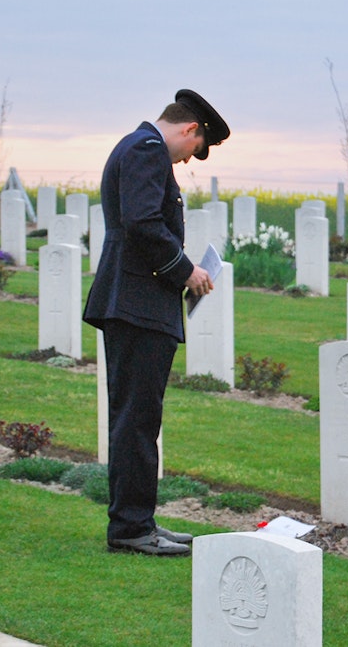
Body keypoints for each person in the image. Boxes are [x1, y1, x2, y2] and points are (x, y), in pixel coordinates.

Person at [83, 89, 230, 556]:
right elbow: (144, 223)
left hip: (135, 302)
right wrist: (187, 270)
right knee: (136, 421)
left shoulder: (136, 146)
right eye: (195, 150)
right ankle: (130, 528)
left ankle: (138, 520)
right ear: (190, 129)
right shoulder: (147, 150)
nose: (189, 160)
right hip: (137, 305)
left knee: (139, 419)